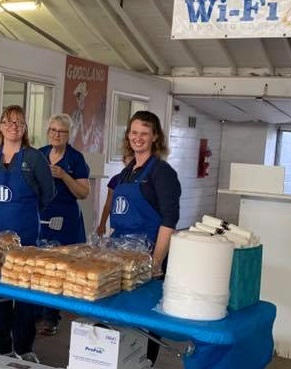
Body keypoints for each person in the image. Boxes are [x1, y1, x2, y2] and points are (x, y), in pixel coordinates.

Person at [0, 105, 55, 363]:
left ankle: (23, 346)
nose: (14, 126)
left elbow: (48, 193)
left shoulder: (34, 158)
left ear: (24, 129)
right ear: (0, 126)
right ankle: (0, 342)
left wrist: (24, 211)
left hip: (25, 235)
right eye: (9, 122)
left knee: (23, 289)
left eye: (19, 122)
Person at [109, 110, 181, 365]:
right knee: (120, 316)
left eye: (144, 134)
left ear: (155, 137)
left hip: (148, 257)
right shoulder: (128, 171)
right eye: (134, 133)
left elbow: (169, 222)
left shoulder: (162, 173)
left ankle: (144, 363)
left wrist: (156, 262)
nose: (138, 138)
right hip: (120, 255)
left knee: (144, 319)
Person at [38, 113, 90, 335]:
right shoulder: (39, 154)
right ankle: (34, 311)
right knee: (39, 264)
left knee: (59, 267)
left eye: (61, 131)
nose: (56, 135)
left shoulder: (76, 159)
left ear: (69, 135)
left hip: (65, 220)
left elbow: (83, 193)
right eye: (52, 130)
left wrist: (63, 175)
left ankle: (52, 317)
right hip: (40, 217)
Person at [95, 154, 133, 237]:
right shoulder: (115, 180)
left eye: (135, 157)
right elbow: (108, 204)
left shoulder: (142, 180)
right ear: (124, 160)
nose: (132, 160)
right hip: (117, 226)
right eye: (130, 156)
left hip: (134, 226)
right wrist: (102, 224)